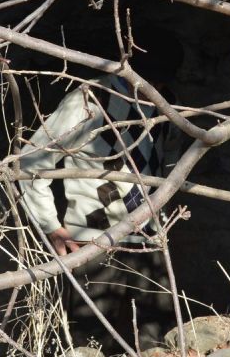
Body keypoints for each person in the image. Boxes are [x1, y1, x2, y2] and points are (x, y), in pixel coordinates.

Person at [17, 45, 182, 258]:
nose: (155, 86)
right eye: (150, 78)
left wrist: (165, 212)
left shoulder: (168, 102)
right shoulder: (89, 99)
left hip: (150, 237)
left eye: (161, 80)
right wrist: (49, 224)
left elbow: (172, 156)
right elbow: (32, 160)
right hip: (93, 238)